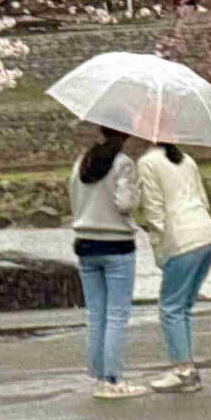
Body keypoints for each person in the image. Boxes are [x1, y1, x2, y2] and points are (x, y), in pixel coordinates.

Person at [132, 139, 211, 393]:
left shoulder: (148, 162)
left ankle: (184, 371)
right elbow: (203, 200)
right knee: (183, 306)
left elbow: (154, 210)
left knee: (171, 307)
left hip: (181, 237)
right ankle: (186, 366)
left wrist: (159, 247)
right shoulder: (186, 159)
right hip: (206, 234)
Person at [69, 124, 146, 399]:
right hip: (117, 244)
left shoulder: (82, 162)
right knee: (116, 315)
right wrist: (137, 192)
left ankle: (99, 376)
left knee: (96, 315)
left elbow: (73, 198)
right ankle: (113, 379)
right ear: (125, 135)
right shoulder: (123, 164)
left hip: (85, 244)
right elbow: (125, 204)